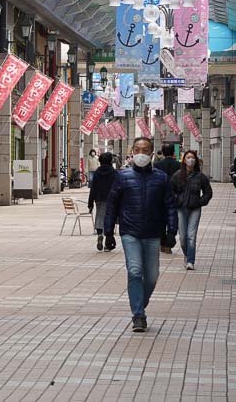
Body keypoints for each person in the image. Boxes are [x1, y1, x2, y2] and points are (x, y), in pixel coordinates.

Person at [104, 137, 178, 333]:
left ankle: (139, 302)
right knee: (135, 271)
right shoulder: (123, 176)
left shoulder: (161, 178)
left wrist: (172, 231)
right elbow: (112, 205)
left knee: (152, 277)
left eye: (145, 150)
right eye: (137, 149)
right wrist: (108, 232)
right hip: (130, 232)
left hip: (153, 233)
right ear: (132, 151)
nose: (141, 154)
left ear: (152, 153)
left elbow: (170, 205)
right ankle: (138, 315)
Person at [169, 150, 212, 271]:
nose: (190, 160)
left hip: (195, 209)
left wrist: (201, 201)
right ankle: (187, 253)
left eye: (192, 158)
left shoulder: (200, 176)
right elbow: (170, 190)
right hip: (181, 208)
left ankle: (190, 261)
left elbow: (208, 192)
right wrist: (177, 200)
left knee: (191, 236)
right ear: (184, 160)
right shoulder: (178, 175)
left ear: (196, 160)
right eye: (188, 157)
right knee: (183, 237)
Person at [88, 152, 118, 252]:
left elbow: (93, 188)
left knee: (99, 216)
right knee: (110, 219)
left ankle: (100, 234)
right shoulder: (114, 173)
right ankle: (107, 243)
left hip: (99, 198)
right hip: (112, 199)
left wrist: (90, 203)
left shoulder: (97, 173)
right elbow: (118, 187)